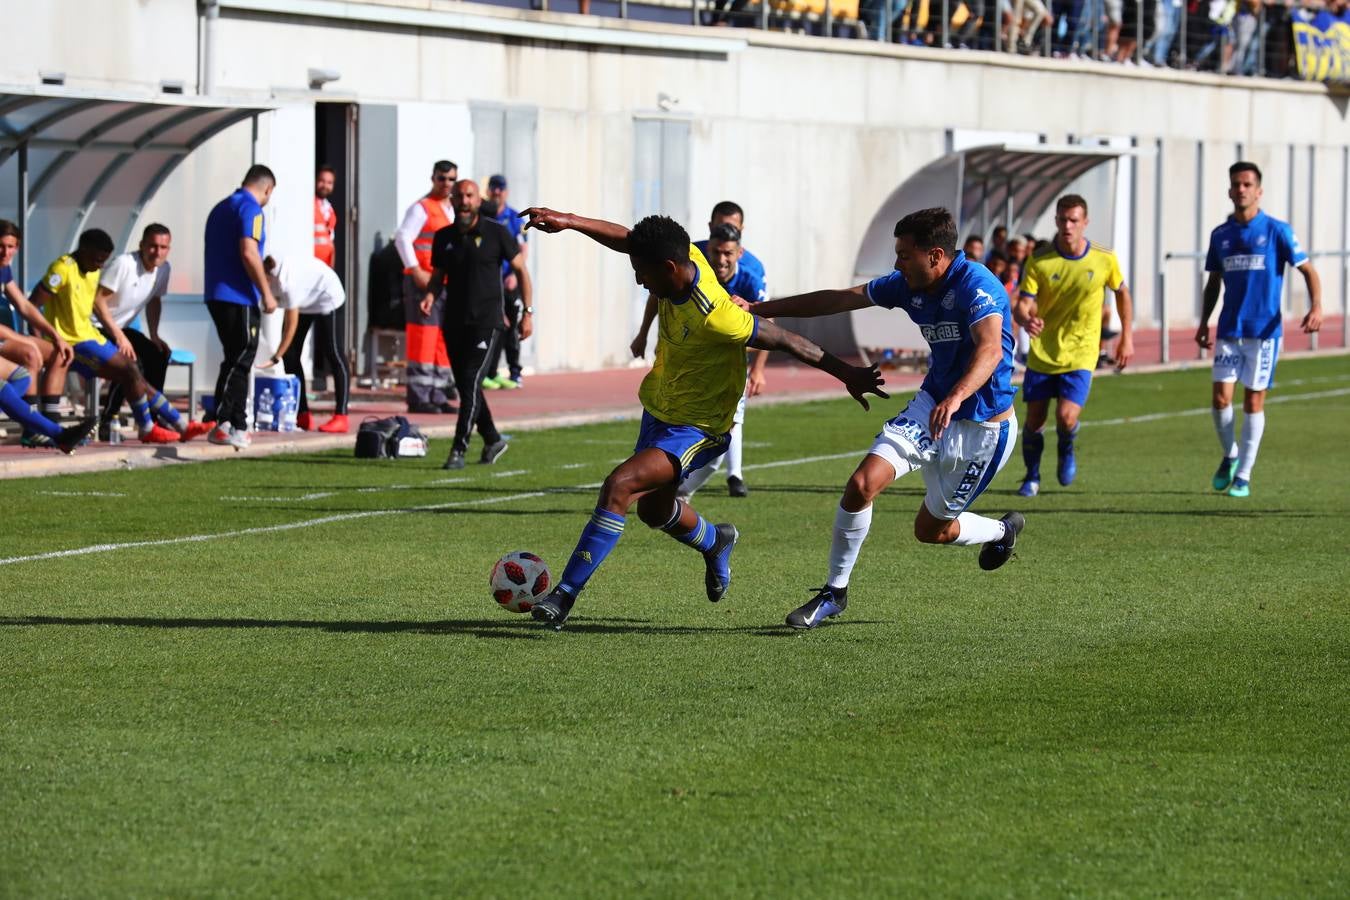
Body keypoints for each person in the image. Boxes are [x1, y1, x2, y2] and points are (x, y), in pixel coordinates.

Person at [518, 207, 887, 631]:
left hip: (699, 427)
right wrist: (568, 221)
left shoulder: (717, 315)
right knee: (654, 512)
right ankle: (716, 542)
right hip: (660, 406)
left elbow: (784, 338)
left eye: (643, 273)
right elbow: (628, 239)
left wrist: (850, 374)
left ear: (670, 268)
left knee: (619, 486)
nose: (639, 280)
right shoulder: (685, 257)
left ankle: (564, 595)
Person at [746, 207, 1023, 631]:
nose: (897, 264)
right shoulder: (906, 285)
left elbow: (991, 350)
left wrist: (958, 396)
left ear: (935, 255)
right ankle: (834, 592)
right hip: (931, 407)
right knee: (861, 485)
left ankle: (1001, 532)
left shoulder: (977, 286)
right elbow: (839, 299)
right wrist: (761, 307)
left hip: (984, 430)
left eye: (904, 254)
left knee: (931, 531)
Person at [1197, 161, 1320, 498]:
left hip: (1264, 333)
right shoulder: (1221, 235)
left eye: (1247, 184)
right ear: (1229, 190)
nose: (1241, 189)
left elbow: (1308, 270)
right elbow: (1213, 284)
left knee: (1253, 402)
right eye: (1236, 184)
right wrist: (1203, 321)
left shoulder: (1277, 230)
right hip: (1228, 329)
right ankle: (1230, 455)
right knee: (1220, 399)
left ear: (1258, 191)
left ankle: (1245, 476)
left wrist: (1316, 306)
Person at [1011, 194, 1135, 497]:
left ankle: (1066, 446)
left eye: (1074, 220)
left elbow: (1122, 292)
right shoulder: (1040, 260)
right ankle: (1032, 476)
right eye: (1062, 219)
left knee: (1066, 417)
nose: (1067, 225)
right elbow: (1022, 303)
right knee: (1035, 419)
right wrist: (1026, 319)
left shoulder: (1104, 259)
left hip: (1081, 352)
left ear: (1085, 223)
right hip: (1043, 352)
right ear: (1056, 221)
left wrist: (1127, 338)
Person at [32, 229, 201, 445]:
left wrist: (153, 334)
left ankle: (172, 425)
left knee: (133, 370)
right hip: (74, 340)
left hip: (90, 337)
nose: (100, 265)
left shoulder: (93, 270)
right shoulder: (63, 269)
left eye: (103, 261)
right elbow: (33, 304)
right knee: (130, 369)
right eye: (97, 259)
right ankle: (54, 429)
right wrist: (45, 340)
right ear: (83, 251)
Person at [640, 221, 769, 499]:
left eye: (728, 254)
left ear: (739, 252)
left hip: (726, 369)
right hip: (681, 364)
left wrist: (758, 369)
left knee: (723, 432)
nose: (721, 260)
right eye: (716, 252)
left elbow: (768, 327)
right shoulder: (690, 257)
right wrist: (643, 334)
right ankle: (667, 491)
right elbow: (657, 290)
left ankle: (690, 490)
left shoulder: (751, 277)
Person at [421, 179, 532, 470]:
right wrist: (430, 297)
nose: (464, 201)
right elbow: (437, 277)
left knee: (470, 382)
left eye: (469, 196)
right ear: (452, 201)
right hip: (454, 323)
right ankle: (493, 438)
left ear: (477, 200)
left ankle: (458, 448)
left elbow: (521, 271)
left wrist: (527, 312)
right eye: (459, 196)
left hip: (488, 323)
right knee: (467, 387)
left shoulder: (496, 232)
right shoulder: (443, 236)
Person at [0, 220, 96, 452]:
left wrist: (55, 336)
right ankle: (48, 432)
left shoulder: (4, 268)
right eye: (1, 246)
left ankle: (45, 426)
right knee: (30, 354)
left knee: (52, 358)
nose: (6, 252)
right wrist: (23, 339)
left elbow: (24, 304)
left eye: (10, 246)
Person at [203, 164, 279, 450]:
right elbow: (249, 252)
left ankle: (237, 423)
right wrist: (266, 293)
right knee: (241, 357)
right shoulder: (252, 209)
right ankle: (223, 421)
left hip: (216, 293)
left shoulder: (222, 207)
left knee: (237, 357)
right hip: (238, 295)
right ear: (267, 189)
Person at [94, 223, 175, 441]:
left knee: (159, 354)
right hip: (96, 325)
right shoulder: (124, 264)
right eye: (152, 246)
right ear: (141, 245)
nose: (157, 252)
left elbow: (154, 300)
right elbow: (98, 301)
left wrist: (154, 335)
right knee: (130, 361)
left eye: (163, 247)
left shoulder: (164, 269)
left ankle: (153, 419)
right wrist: (120, 337)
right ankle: (109, 418)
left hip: (121, 328)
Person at [394, 160, 458, 414]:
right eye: (442, 178)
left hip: (445, 283)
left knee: (442, 339)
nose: (447, 184)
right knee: (424, 337)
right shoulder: (422, 208)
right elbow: (403, 238)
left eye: (451, 179)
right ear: (433, 179)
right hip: (424, 282)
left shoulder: (452, 209)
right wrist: (415, 269)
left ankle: (439, 393)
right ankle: (419, 396)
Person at [261, 255, 350, 433]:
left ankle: (342, 416)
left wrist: (276, 356)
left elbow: (290, 326)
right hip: (307, 299)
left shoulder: (288, 283)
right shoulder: (270, 276)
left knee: (333, 352)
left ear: (269, 277)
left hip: (327, 295)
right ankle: (302, 414)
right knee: (291, 355)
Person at [481, 174, 529, 390]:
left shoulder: (514, 217)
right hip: (490, 282)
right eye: (493, 188)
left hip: (509, 283)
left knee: (512, 326)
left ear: (506, 191)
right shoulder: (485, 216)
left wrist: (514, 275)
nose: (496, 192)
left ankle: (515, 371)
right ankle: (488, 371)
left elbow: (523, 249)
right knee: (494, 326)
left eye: (500, 188)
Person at [314, 165, 337, 268]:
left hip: (324, 266)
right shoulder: (308, 205)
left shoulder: (330, 210)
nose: (325, 185)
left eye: (329, 183)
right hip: (311, 264)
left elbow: (330, 243)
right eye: (322, 181)